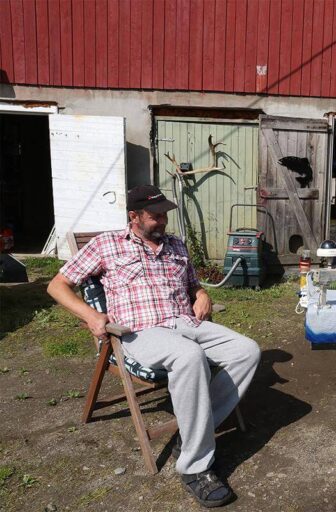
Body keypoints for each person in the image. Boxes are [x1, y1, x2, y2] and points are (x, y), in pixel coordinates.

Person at [47, 184, 260, 508]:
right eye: (155, 215)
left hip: (185, 322)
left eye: (164, 214)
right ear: (134, 216)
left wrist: (202, 294)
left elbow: (193, 286)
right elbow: (57, 285)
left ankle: (192, 434)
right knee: (189, 357)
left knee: (247, 351)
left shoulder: (176, 245)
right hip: (139, 332)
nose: (163, 221)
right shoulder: (106, 245)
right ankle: (195, 467)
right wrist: (91, 315)